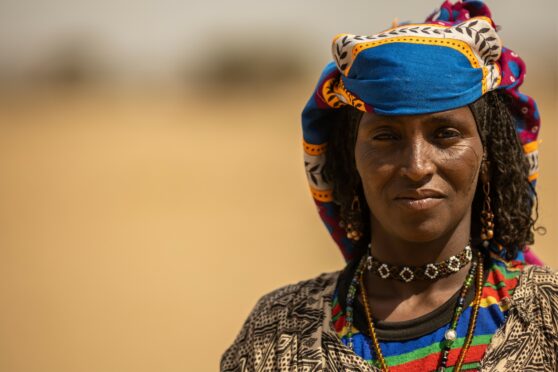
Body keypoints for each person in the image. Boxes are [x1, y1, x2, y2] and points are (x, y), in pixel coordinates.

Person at [221, 1, 557, 371]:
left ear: (488, 154)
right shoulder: (278, 333)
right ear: (349, 159)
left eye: (445, 134)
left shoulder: (548, 317)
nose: (416, 166)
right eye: (385, 137)